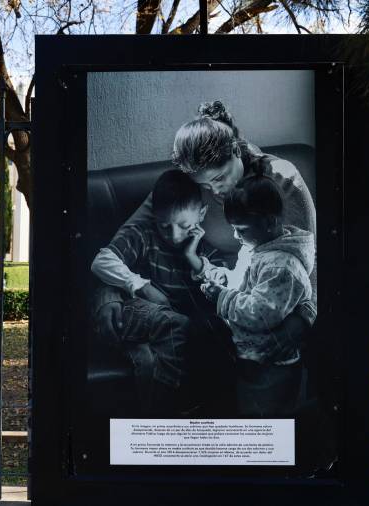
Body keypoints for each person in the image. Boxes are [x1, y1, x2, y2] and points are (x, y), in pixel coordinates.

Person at [95, 100, 317, 346]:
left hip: (273, 303)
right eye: (204, 186)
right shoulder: (190, 183)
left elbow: (310, 264)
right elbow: (127, 239)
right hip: (219, 298)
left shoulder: (282, 179)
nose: (215, 191)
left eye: (220, 178)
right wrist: (110, 294)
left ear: (235, 151)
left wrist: (297, 325)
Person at [91, 169, 226, 413]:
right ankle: (169, 411)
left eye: (184, 226)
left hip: (164, 327)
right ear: (154, 215)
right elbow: (102, 261)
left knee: (151, 356)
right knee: (176, 323)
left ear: (202, 214)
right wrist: (141, 286)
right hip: (137, 309)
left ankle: (158, 414)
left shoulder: (205, 251)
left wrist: (191, 257)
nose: (174, 235)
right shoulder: (144, 235)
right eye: (165, 226)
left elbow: (221, 287)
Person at [202, 173, 315, 416]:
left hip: (271, 363)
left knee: (267, 419)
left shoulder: (281, 267)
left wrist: (223, 297)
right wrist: (227, 278)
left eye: (240, 229)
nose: (235, 236)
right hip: (251, 355)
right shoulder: (256, 247)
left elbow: (260, 313)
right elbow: (248, 283)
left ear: (270, 223)